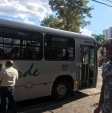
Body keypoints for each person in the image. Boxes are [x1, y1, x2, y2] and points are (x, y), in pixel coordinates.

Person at [94, 38, 112, 113]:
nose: (108, 50)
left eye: (111, 48)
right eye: (107, 48)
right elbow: (104, 87)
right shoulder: (105, 67)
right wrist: (99, 106)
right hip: (106, 108)